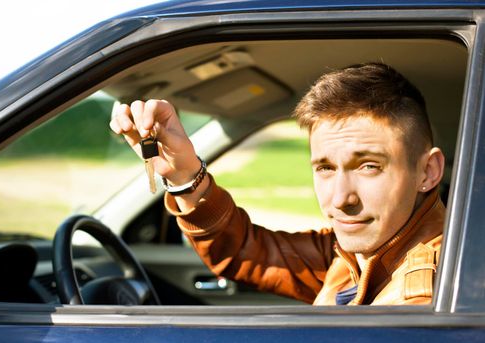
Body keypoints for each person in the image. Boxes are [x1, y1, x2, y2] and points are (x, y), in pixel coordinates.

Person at [110, 62, 446, 305]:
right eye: (326, 168)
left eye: (369, 167)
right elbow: (247, 251)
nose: (341, 199)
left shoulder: (424, 297)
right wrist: (182, 174)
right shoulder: (359, 254)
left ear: (428, 172)